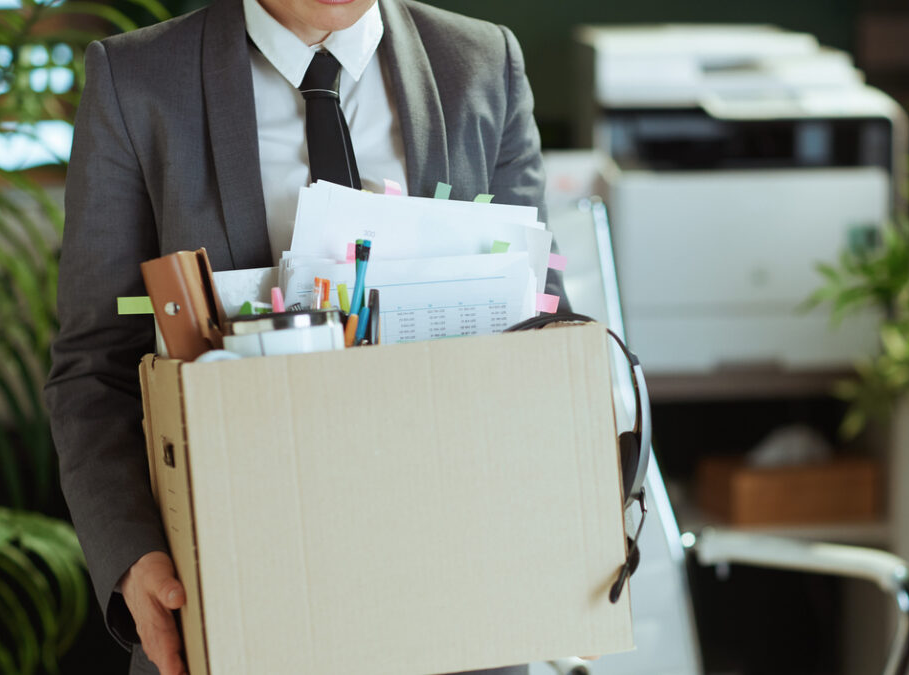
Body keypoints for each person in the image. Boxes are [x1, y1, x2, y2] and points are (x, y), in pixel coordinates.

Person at [44, 0, 561, 672]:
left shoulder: (484, 64)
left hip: (460, 599)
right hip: (237, 596)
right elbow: (94, 367)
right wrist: (132, 557)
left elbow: (544, 327)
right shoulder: (137, 80)